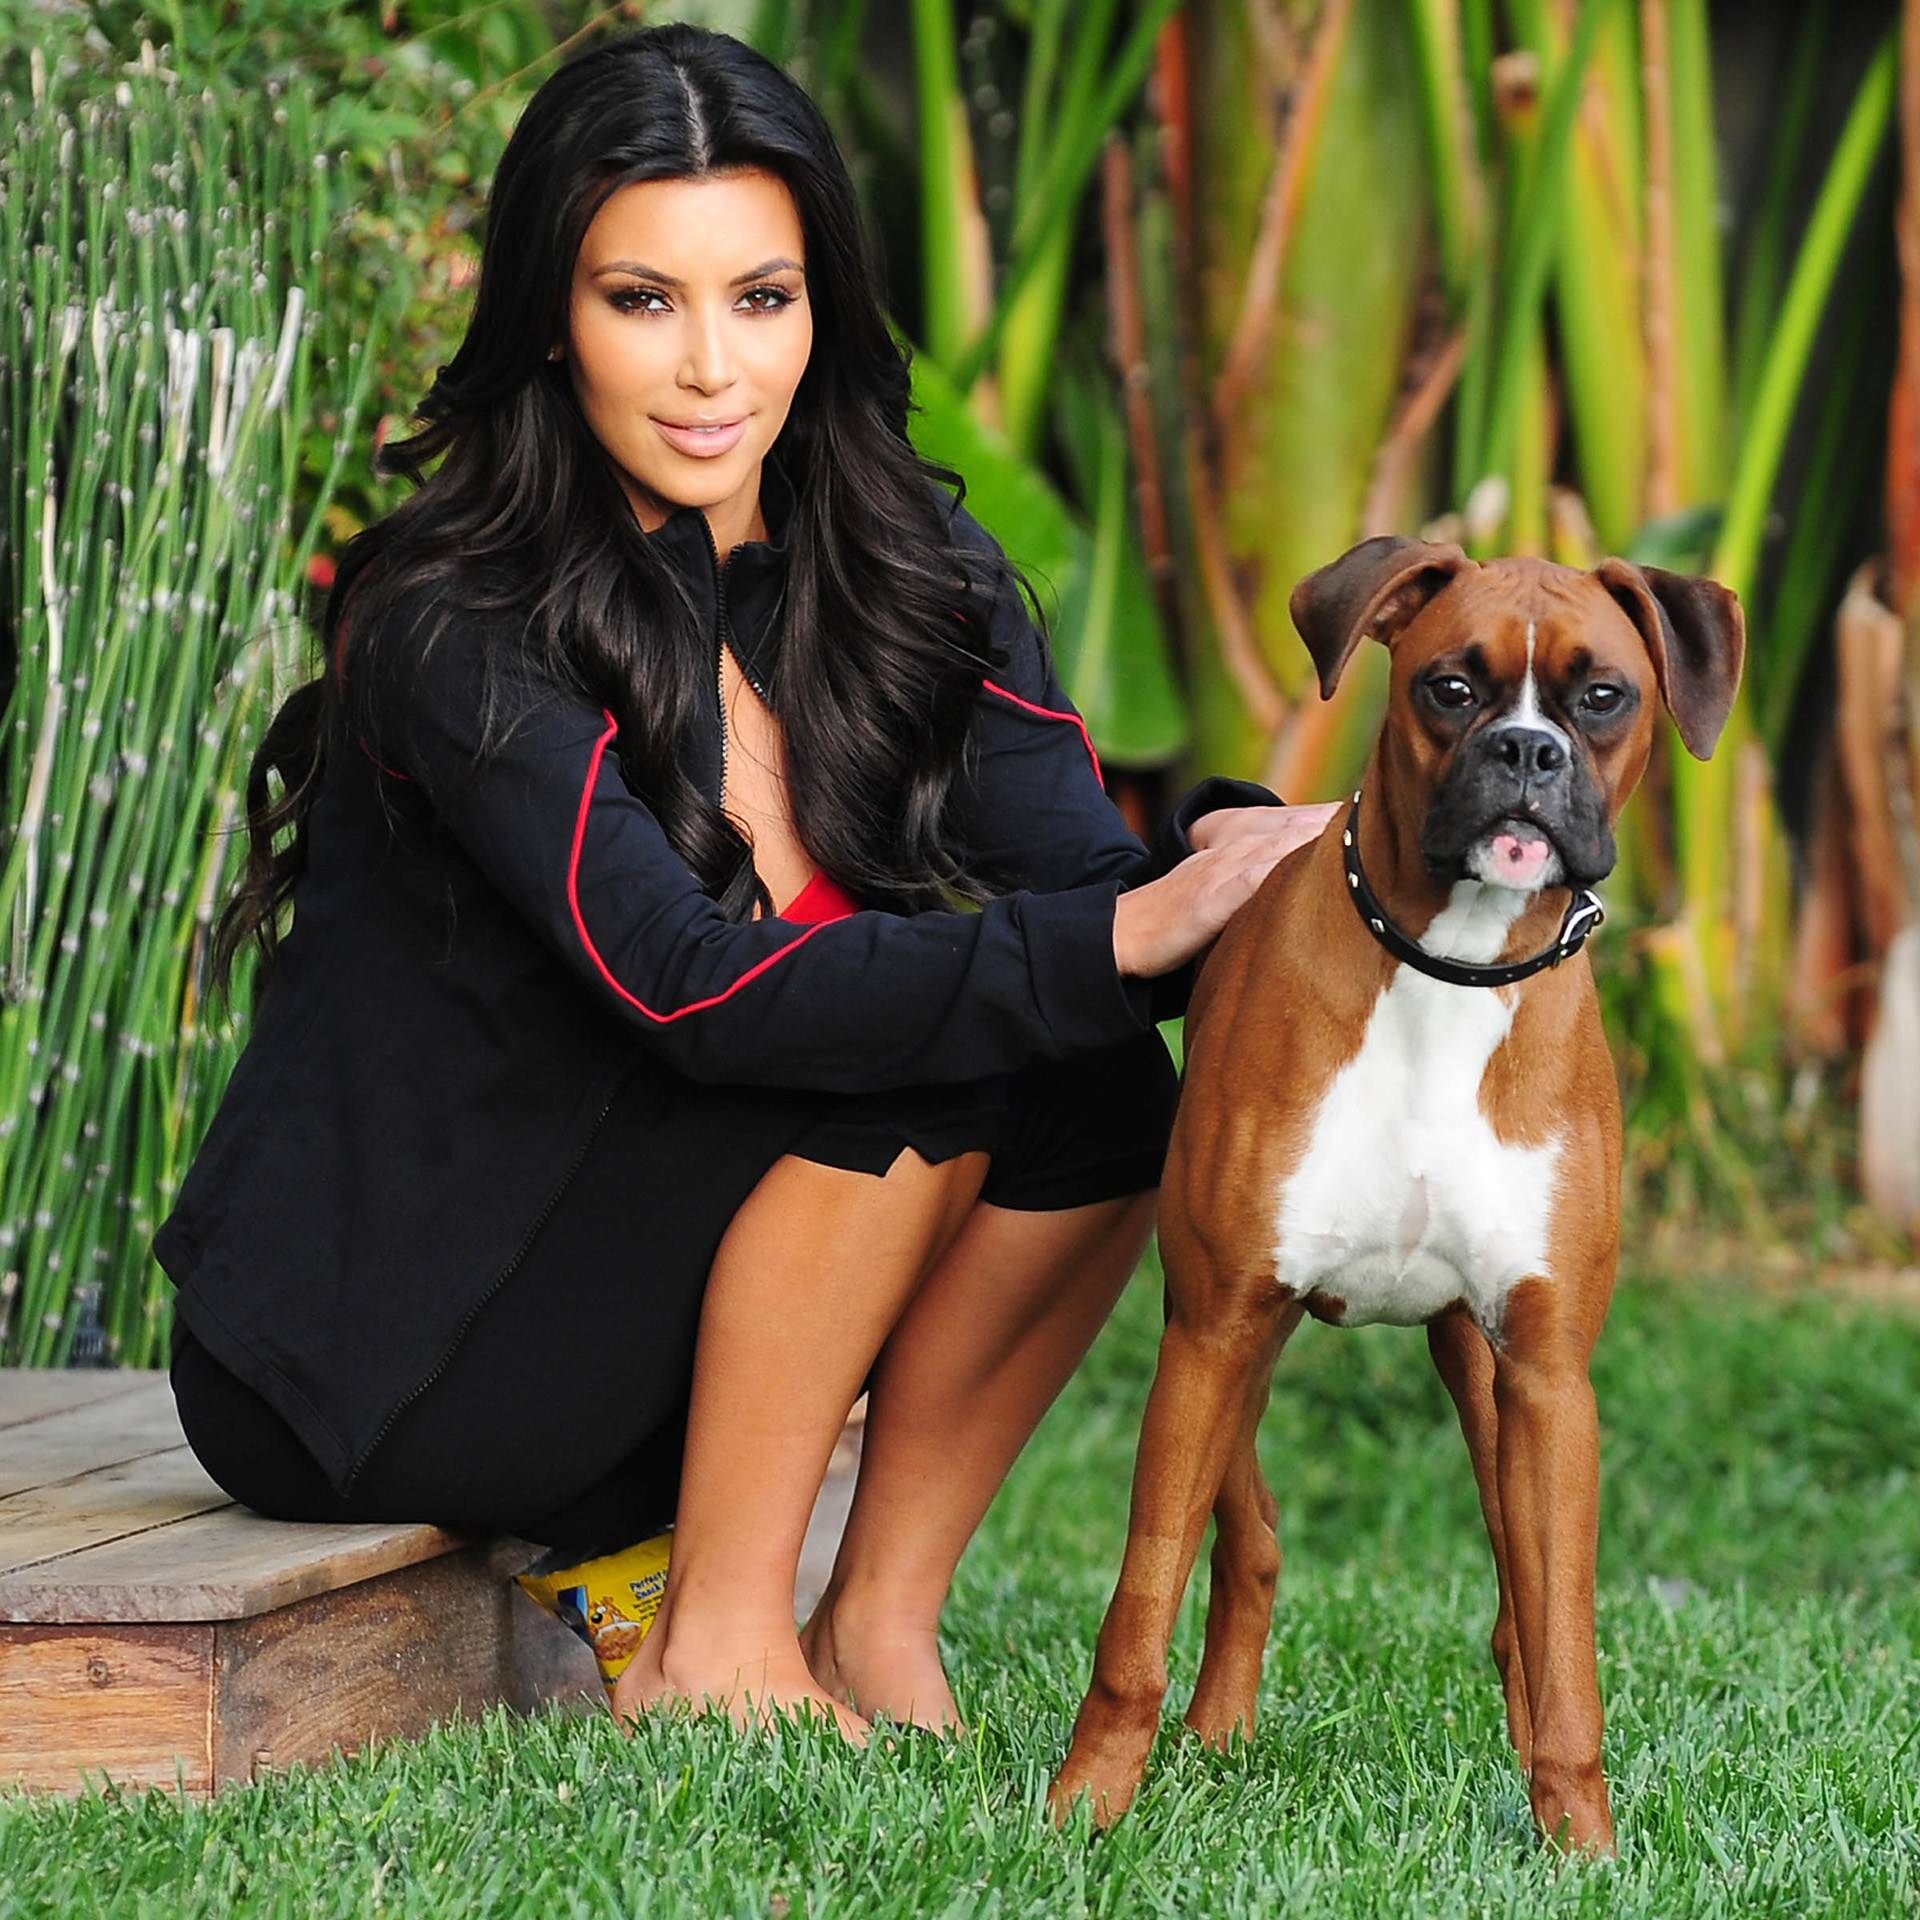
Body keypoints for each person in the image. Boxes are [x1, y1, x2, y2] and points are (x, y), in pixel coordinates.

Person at [153, 21, 1336, 1743]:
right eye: (644, 300)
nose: (712, 367)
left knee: (1096, 1085)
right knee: (914, 1053)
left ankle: (874, 1620)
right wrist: (1119, 930)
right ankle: (715, 1646)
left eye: (759, 299)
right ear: (552, 319)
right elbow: (687, 987)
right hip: (383, 1351)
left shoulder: (908, 567)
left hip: (663, 1311)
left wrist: (1230, 862)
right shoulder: (459, 619)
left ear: (820, 309)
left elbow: (1084, 885)